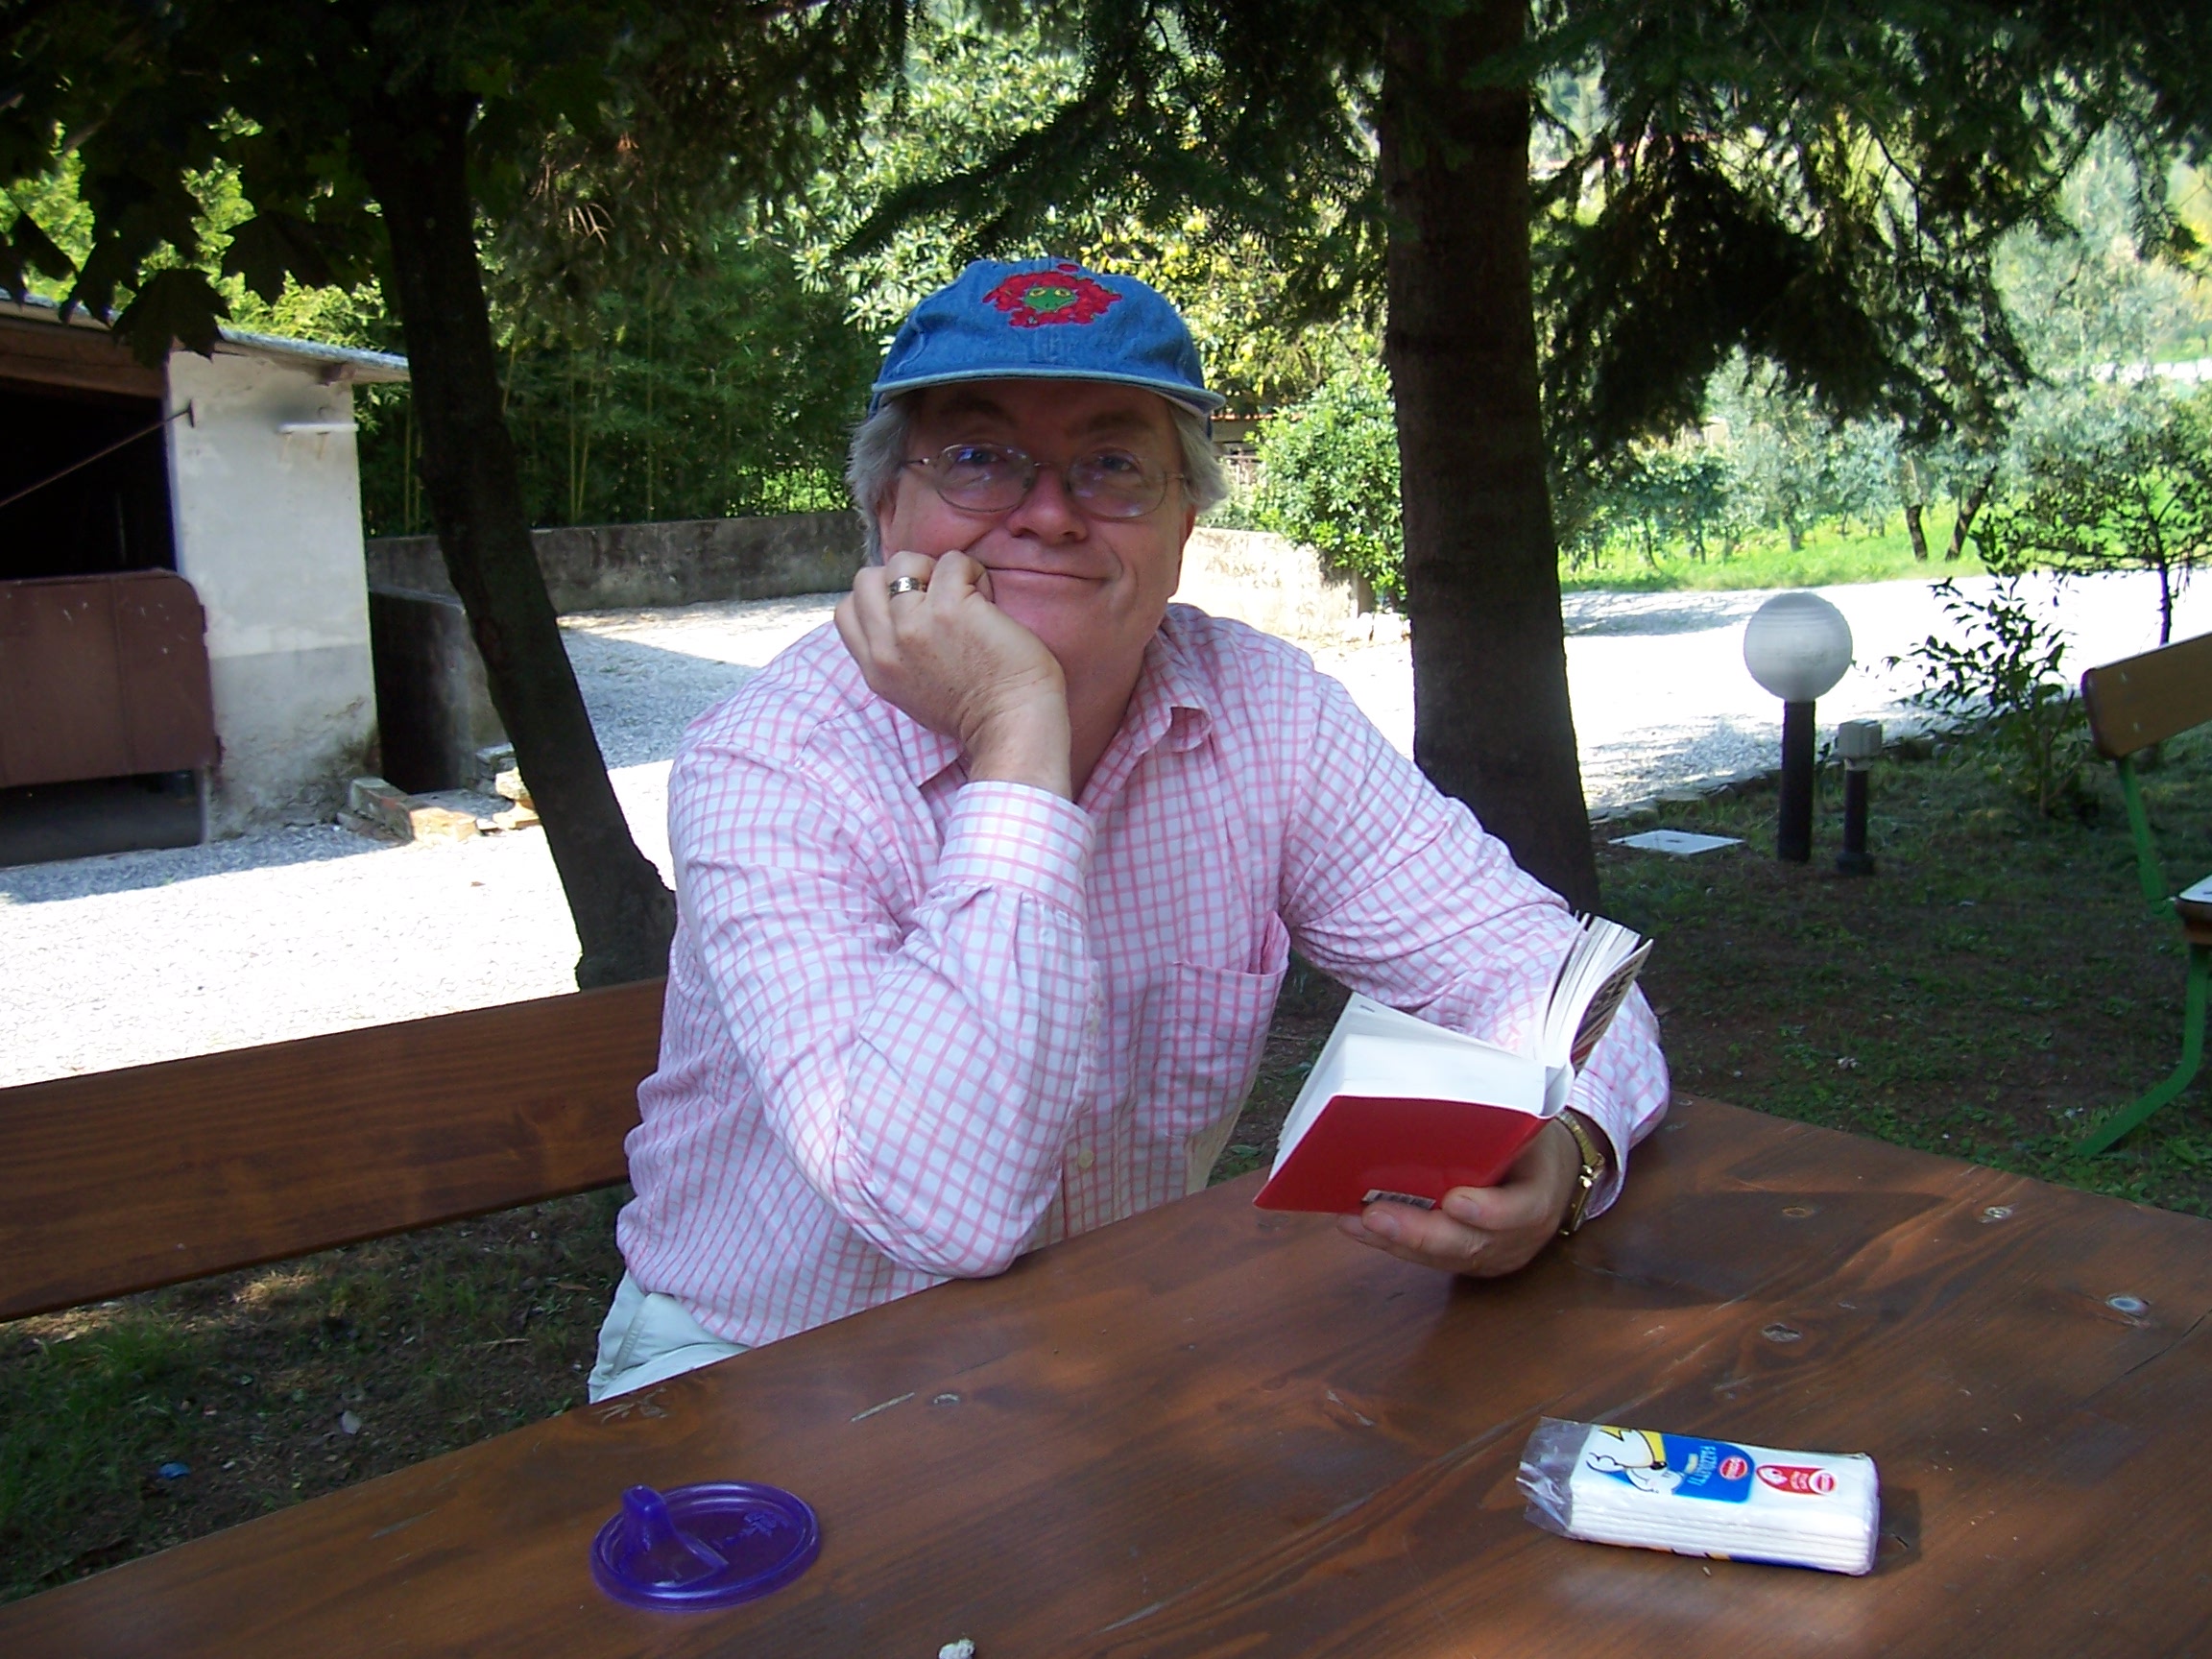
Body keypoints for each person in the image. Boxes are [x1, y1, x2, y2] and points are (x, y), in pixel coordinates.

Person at [589, 257, 1669, 1401]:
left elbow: (1551, 980)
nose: (1048, 513)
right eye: (975, 457)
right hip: (760, 1374)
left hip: (1100, 1347)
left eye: (1112, 465)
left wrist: (1569, 1148)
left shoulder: (1269, 712)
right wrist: (1018, 735)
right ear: (883, 508)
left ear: (1185, 521)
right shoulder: (769, 761)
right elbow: (937, 1209)